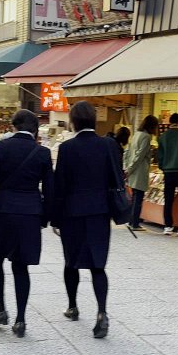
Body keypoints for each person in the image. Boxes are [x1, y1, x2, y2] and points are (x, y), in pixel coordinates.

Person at [0, 110, 53, 338]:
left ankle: (1, 309)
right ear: (35, 130)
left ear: (13, 127)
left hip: (2, 211)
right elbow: (50, 191)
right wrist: (46, 219)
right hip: (29, 215)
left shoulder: (1, 148)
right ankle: (21, 319)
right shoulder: (43, 153)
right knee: (21, 266)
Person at [54, 101, 123, 338]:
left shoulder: (67, 148)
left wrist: (55, 218)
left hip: (72, 214)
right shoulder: (108, 145)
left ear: (73, 121)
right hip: (99, 213)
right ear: (94, 120)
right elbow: (117, 178)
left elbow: (59, 186)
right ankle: (102, 312)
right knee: (97, 265)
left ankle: (73, 306)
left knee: (71, 261)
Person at [124, 116, 158, 232]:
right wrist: (131, 168)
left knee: (134, 197)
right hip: (140, 170)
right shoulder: (146, 137)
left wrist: (127, 167)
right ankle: (135, 224)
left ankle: (131, 221)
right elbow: (140, 155)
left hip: (133, 171)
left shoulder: (136, 134)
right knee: (138, 198)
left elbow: (128, 151)